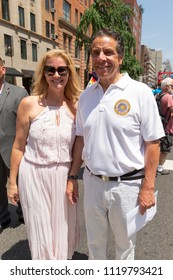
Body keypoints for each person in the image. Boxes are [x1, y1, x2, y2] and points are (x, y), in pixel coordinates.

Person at [66, 29, 165, 260]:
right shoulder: (86, 95)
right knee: (95, 245)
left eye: (108, 52)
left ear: (120, 58)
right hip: (92, 183)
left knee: (125, 247)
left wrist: (148, 187)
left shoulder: (140, 92)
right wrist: (72, 177)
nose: (101, 57)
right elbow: (81, 138)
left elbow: (153, 143)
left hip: (127, 186)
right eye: (96, 52)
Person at [7, 49, 81, 259]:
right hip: (34, 175)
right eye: (50, 70)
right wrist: (13, 181)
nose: (56, 75)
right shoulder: (29, 103)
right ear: (43, 73)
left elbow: (80, 145)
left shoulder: (76, 105)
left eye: (61, 70)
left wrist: (73, 176)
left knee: (63, 231)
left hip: (64, 177)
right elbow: (18, 146)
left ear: (69, 73)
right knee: (41, 232)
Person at [0, 57, 28, 231]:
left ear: (3, 70)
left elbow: (28, 125)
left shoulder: (19, 93)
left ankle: (24, 214)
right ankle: (3, 217)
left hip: (13, 150)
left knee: (21, 186)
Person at [157, 77, 173, 175]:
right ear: (167, 87)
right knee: (165, 149)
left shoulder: (158, 95)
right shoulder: (168, 97)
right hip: (167, 127)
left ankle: (155, 166)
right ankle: (160, 168)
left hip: (160, 124)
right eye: (172, 85)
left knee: (158, 147)